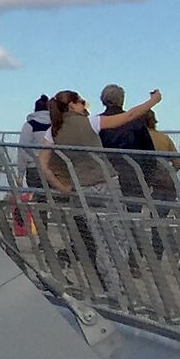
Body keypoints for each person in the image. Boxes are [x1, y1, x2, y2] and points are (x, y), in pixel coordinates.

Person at [46, 89, 127, 296]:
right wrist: (153, 101)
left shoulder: (53, 131)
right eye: (82, 102)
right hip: (106, 183)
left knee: (100, 240)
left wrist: (63, 187)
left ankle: (110, 288)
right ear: (72, 105)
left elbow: (42, 163)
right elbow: (129, 116)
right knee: (118, 238)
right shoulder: (90, 122)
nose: (85, 106)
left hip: (83, 189)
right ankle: (118, 289)